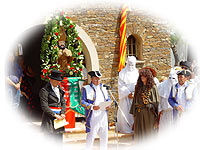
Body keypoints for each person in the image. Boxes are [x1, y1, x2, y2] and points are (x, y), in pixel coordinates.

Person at [81, 71, 111, 150]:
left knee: (104, 136)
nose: (98, 81)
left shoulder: (104, 88)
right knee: (91, 136)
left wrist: (108, 105)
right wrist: (92, 106)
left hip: (103, 115)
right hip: (93, 115)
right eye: (95, 79)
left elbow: (108, 98)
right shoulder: (86, 88)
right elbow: (82, 102)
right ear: (91, 79)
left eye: (99, 79)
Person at [130, 68, 160, 143]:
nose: (142, 77)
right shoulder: (138, 87)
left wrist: (156, 116)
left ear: (148, 77)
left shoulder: (153, 88)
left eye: (144, 76)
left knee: (148, 132)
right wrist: (134, 113)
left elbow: (156, 102)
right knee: (139, 132)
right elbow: (134, 101)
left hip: (149, 113)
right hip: (139, 113)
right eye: (141, 76)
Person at [39, 70, 66, 145]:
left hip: (59, 119)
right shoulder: (44, 90)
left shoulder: (60, 90)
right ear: (51, 80)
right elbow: (44, 107)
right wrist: (55, 115)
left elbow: (63, 102)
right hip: (49, 119)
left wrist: (63, 113)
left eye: (59, 81)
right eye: (56, 81)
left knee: (59, 141)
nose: (58, 83)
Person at [117, 56, 139, 134]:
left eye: (132, 65)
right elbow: (121, 85)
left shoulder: (137, 73)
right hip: (125, 97)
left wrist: (134, 93)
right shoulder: (122, 73)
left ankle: (134, 127)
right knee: (126, 113)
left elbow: (138, 84)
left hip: (135, 96)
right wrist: (128, 93)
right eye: (129, 64)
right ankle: (125, 128)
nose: (131, 66)